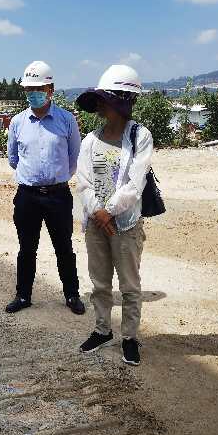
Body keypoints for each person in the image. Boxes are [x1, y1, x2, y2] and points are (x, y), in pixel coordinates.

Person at [74, 65, 153, 366]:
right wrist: (98, 212)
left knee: (130, 285)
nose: (99, 106)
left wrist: (109, 211)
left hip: (126, 224)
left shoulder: (140, 136)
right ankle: (102, 330)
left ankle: (129, 337)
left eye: (104, 99)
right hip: (97, 223)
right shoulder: (90, 141)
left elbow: (136, 182)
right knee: (100, 283)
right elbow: (83, 182)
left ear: (121, 101)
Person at [5, 60, 85, 315]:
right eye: (29, 89)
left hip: (58, 195)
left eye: (38, 88)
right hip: (27, 196)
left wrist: (56, 178)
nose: (33, 93)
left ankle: (72, 295)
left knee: (64, 247)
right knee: (26, 248)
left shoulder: (67, 120)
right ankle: (23, 295)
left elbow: (74, 157)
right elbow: (13, 158)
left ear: (50, 89)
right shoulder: (17, 122)